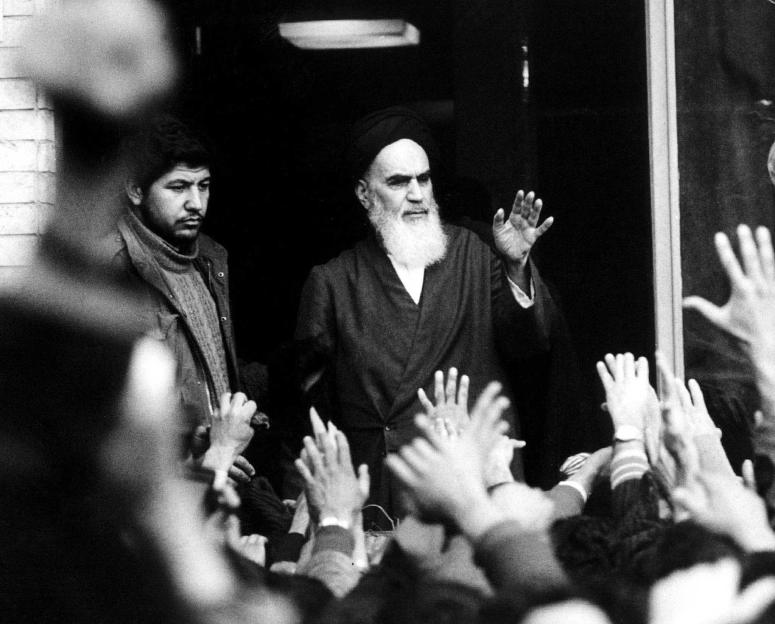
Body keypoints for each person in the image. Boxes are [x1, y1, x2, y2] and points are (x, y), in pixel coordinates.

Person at [295, 106, 557, 525]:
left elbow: (528, 346)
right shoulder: (332, 281)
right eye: (398, 182)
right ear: (364, 194)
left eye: (424, 179)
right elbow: (311, 413)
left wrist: (515, 267)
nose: (417, 194)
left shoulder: (473, 253)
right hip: (385, 482)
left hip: (475, 477)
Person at [111, 115, 261, 481]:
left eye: (204, 186)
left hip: (216, 471)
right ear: (135, 190)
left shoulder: (210, 260)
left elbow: (212, 373)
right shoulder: (113, 269)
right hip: (158, 484)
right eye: (178, 187)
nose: (196, 202)